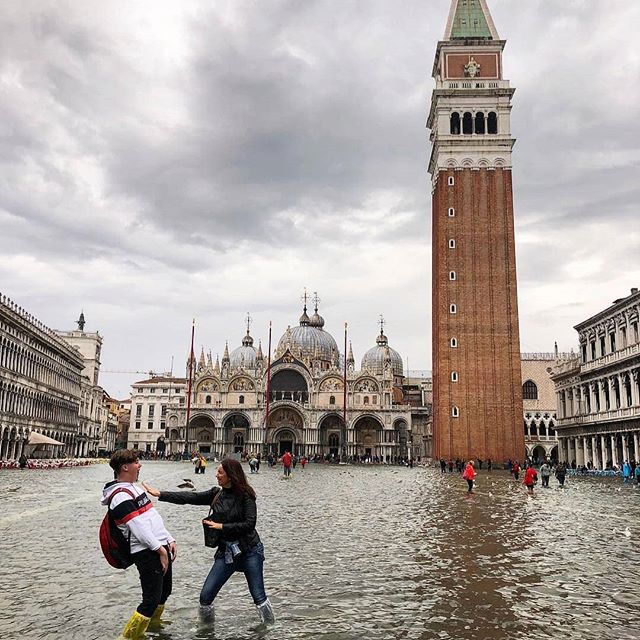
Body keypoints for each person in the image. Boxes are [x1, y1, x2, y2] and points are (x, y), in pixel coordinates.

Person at [143, 458, 274, 625]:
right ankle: (206, 632)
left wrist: (221, 526)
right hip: (226, 553)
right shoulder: (216, 494)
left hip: (250, 551)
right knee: (205, 596)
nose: (216, 475)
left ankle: (269, 630)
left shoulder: (246, 496)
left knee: (259, 596)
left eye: (220, 472)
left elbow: (250, 524)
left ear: (231, 475)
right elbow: (190, 497)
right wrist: (160, 494)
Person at [102, 450, 177, 640]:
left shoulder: (134, 488)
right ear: (125, 467)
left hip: (159, 546)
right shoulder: (119, 495)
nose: (140, 465)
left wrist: (168, 538)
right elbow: (137, 526)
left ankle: (153, 627)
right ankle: (128, 637)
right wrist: (159, 549)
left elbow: (151, 516)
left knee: (164, 592)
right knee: (150, 599)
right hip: (146, 551)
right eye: (136, 462)